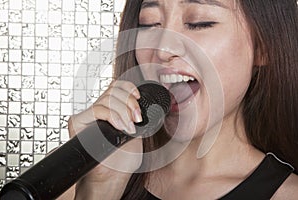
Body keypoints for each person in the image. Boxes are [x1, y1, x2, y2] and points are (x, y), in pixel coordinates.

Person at [59, 0, 298, 199]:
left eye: (198, 23)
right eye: (149, 24)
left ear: (262, 47)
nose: (162, 50)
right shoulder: (74, 187)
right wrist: (99, 190)